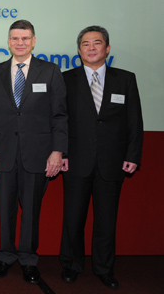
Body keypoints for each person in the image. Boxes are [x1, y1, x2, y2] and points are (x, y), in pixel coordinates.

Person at [59, 26, 143, 290]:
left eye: (97, 43)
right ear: (79, 50)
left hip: (112, 161)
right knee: (73, 218)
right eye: (85, 43)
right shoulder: (65, 79)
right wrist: (61, 153)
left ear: (107, 48)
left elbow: (135, 121)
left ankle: (104, 269)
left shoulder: (125, 79)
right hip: (75, 160)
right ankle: (71, 265)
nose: (91, 47)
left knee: (107, 220)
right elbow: (60, 121)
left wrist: (133, 154)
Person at [0, 19, 67, 284]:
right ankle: (5, 256)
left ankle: (29, 259)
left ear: (33, 41)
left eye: (25, 38)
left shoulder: (51, 71)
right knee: (5, 208)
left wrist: (58, 151)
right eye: (15, 38)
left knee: (31, 209)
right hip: (4, 153)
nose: (19, 43)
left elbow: (59, 115)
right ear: (8, 41)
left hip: (38, 154)